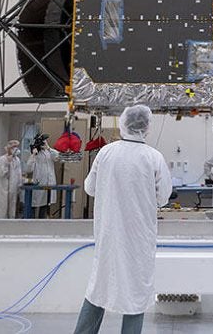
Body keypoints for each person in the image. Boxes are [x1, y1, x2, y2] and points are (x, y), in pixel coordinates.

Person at [74, 105, 172, 334]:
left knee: (99, 289)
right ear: (147, 127)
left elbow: (90, 188)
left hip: (109, 235)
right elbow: (163, 197)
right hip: (139, 239)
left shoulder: (106, 153)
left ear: (123, 123)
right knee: (136, 294)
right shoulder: (153, 158)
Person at [28, 134, 58, 219]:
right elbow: (29, 168)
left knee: (45, 204)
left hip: (48, 183)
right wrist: (33, 154)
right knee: (35, 204)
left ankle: (43, 221)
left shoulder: (49, 152)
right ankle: (31, 222)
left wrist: (48, 148)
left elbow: (58, 157)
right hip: (39, 183)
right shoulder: (35, 153)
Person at [0, 140, 23, 219]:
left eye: (16, 147)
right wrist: (7, 162)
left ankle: (11, 222)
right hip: (4, 188)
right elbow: (0, 173)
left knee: (12, 208)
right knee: (3, 208)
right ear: (8, 148)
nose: (15, 149)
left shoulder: (17, 160)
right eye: (13, 147)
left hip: (13, 188)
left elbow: (18, 173)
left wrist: (19, 185)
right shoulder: (2, 159)